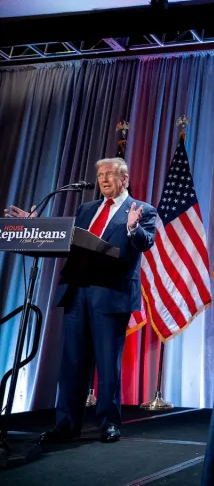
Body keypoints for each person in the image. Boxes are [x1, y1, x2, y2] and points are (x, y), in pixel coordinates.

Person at [4, 157, 156, 444]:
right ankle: (66, 424)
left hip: (111, 294)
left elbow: (145, 242)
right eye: (100, 176)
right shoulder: (86, 208)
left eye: (110, 174)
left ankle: (109, 422)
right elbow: (68, 241)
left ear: (124, 179)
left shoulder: (142, 210)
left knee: (108, 362)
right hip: (77, 290)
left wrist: (133, 229)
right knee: (72, 362)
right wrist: (37, 228)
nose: (104, 180)